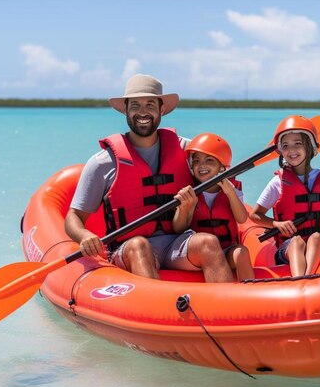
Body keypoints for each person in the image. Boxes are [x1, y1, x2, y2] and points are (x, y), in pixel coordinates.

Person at [65, 74, 234, 283]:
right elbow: (74, 217)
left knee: (208, 242)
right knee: (140, 246)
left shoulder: (187, 151)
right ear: (125, 110)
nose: (143, 112)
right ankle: (156, 311)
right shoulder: (102, 163)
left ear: (161, 109)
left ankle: (226, 310)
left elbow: (219, 168)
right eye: (135, 105)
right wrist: (84, 236)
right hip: (127, 248)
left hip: (176, 243)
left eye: (150, 105)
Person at [250, 115, 320, 276]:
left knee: (315, 238)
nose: (291, 150)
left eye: (297, 144)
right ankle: (301, 281)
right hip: (289, 246)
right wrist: (277, 224)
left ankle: (307, 278)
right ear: (281, 152)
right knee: (297, 241)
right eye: (285, 146)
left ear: (310, 147)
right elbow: (255, 215)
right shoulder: (278, 182)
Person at [173, 133, 255, 281]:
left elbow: (242, 219)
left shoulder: (232, 189)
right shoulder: (189, 191)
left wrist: (230, 193)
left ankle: (249, 294)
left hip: (227, 249)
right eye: (196, 161)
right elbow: (178, 229)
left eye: (209, 160)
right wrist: (186, 207)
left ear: (222, 167)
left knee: (241, 252)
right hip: (202, 253)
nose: (201, 165)